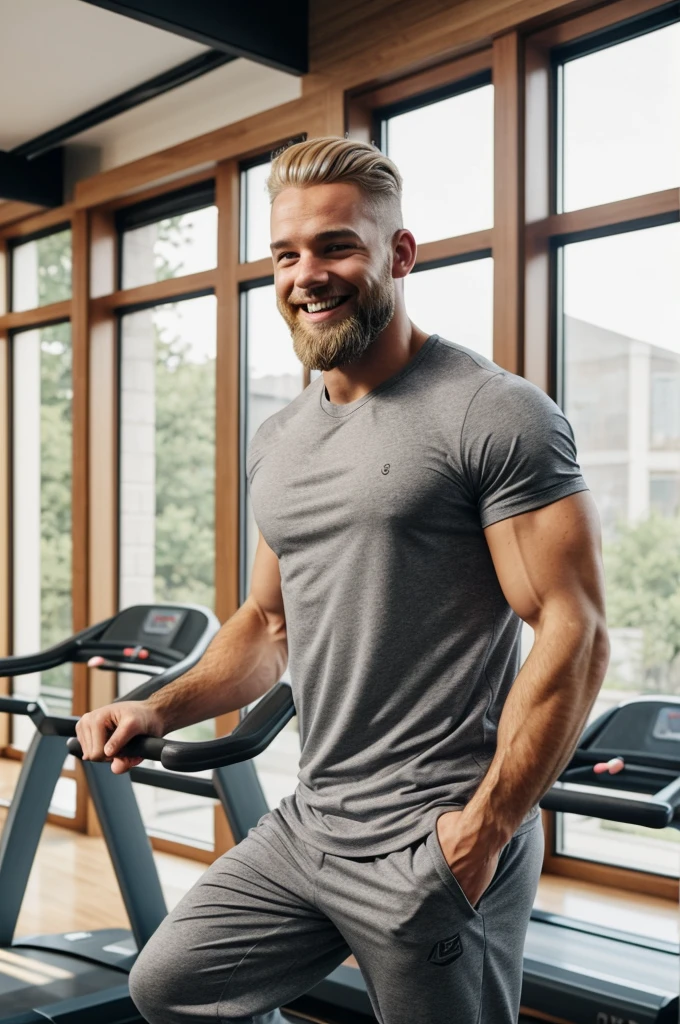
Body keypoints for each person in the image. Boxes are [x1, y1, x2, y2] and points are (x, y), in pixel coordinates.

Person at [76, 136, 610, 1024]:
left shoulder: (494, 413)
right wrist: (160, 707)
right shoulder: (279, 438)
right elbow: (266, 625)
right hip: (311, 822)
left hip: (435, 835)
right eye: (286, 254)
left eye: (335, 247)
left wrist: (481, 834)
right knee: (169, 986)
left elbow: (575, 629)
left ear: (399, 255)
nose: (306, 275)